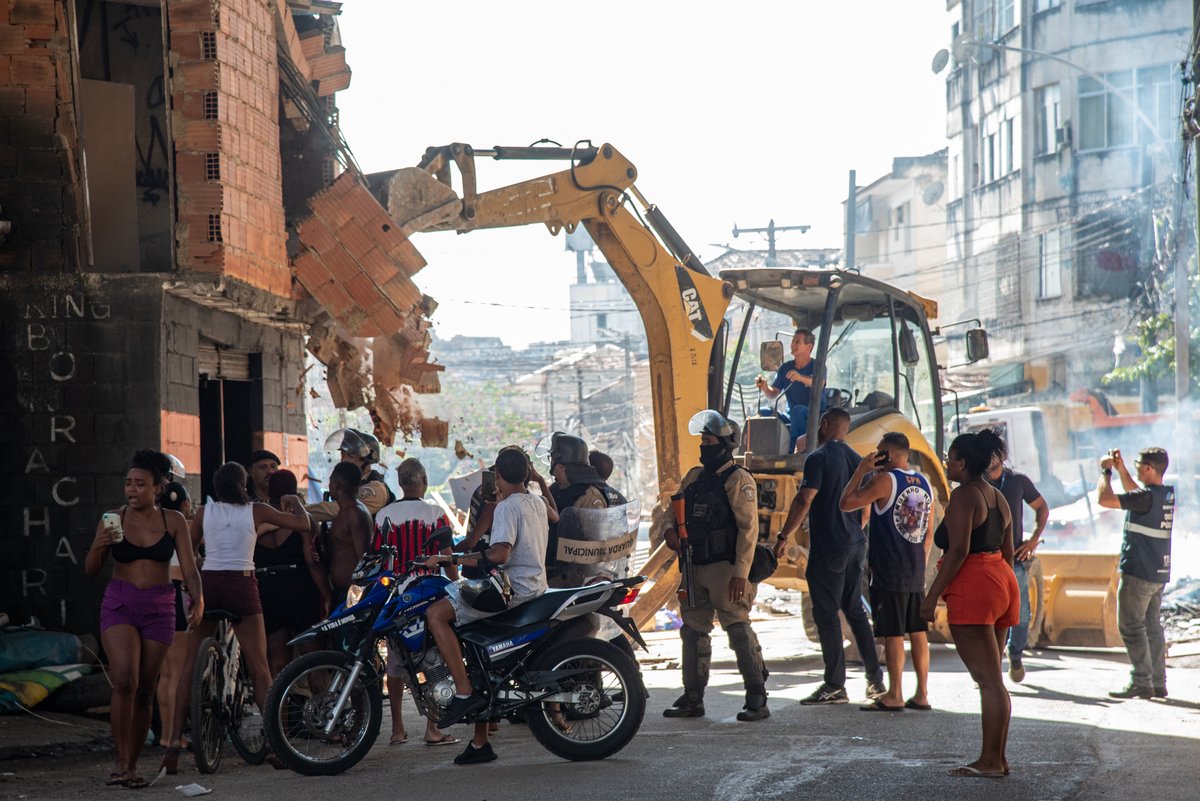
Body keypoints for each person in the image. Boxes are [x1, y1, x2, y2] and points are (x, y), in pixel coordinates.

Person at [161, 461, 311, 774]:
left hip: (211, 583)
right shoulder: (256, 512)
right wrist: (295, 501)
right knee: (259, 667)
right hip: (243, 585)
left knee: (190, 666)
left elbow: (188, 550)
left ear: (217, 486)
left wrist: (200, 573)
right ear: (243, 484)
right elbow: (304, 525)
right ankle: (273, 744)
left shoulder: (204, 512)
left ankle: (173, 741)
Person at [422, 448, 549, 765]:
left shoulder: (506, 507)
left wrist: (449, 558)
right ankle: (480, 743)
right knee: (477, 649)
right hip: (535, 587)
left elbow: (500, 554)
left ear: (500, 476)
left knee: (435, 613)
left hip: (512, 589)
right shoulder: (538, 503)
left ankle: (462, 690)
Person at [85, 450, 202, 789]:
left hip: (160, 606)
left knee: (146, 689)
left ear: (158, 488)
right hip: (119, 603)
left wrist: (199, 597)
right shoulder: (113, 518)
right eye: (128, 483)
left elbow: (190, 569)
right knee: (124, 680)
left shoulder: (173, 521)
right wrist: (97, 545)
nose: (132, 490)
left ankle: (133, 766)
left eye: (140, 484)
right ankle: (119, 763)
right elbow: (91, 570)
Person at [921, 429, 1018, 779]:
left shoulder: (964, 496)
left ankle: (991, 761)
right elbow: (1007, 551)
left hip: (976, 583)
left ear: (963, 462)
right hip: (1000, 579)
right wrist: (1002, 586)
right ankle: (997, 758)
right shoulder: (997, 496)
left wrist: (931, 596)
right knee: (994, 679)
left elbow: (959, 550)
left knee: (989, 681)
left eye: (950, 458)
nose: (947, 463)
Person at [662, 411, 770, 723]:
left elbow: (749, 530)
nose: (703, 446)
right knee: (694, 632)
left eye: (708, 441)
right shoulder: (695, 476)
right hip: (694, 566)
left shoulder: (738, 479)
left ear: (724, 445)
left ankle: (757, 696)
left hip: (726, 569)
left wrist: (741, 573)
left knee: (737, 627)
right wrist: (669, 530)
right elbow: (673, 509)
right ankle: (692, 698)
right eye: (702, 440)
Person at [776, 408, 885, 705]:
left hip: (829, 548)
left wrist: (784, 536)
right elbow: (865, 506)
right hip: (854, 545)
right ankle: (875, 680)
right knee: (855, 611)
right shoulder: (855, 459)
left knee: (826, 614)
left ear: (823, 424)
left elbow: (804, 498)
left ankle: (835, 685)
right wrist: (852, 532)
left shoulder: (817, 458)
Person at [839, 432, 933, 713]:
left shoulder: (884, 480)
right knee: (917, 632)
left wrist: (861, 469)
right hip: (915, 567)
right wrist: (920, 562)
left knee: (893, 633)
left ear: (888, 455)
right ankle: (922, 694)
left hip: (889, 567)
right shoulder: (924, 482)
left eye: (879, 451)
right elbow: (927, 533)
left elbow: (846, 503)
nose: (876, 455)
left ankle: (894, 694)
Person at [373, 457, 459, 747]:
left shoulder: (382, 515)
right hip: (427, 594)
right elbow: (447, 556)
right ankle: (432, 728)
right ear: (422, 480)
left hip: (395, 597)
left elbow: (378, 560)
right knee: (432, 657)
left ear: (400, 483)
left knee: (396, 661)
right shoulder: (434, 513)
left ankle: (397, 729)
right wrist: (456, 585)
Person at [1097, 447, 1174, 700]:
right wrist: (1122, 469)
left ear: (1149, 469)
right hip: (1158, 572)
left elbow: (1104, 499)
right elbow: (1136, 492)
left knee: (1130, 626)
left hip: (1138, 572)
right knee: (1152, 626)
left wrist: (1106, 472)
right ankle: (1157, 682)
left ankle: (1141, 681)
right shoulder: (1163, 494)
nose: (1136, 467)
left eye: (1139, 464)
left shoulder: (1144, 497)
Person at [255, 469, 331, 676]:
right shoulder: (301, 520)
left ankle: (277, 708)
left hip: (266, 589)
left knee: (277, 662)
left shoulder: (256, 518)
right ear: (293, 491)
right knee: (312, 660)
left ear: (269, 492)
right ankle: (323, 707)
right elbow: (312, 561)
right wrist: (326, 595)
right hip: (299, 589)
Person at [984, 455, 1049, 683]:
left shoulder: (1018, 481)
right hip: (984, 562)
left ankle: (1015, 655)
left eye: (993, 454)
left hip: (1014, 562)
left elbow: (1041, 507)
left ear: (1001, 457)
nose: (988, 458)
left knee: (1020, 616)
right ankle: (990, 671)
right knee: (987, 618)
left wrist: (1032, 540)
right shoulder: (976, 482)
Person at [153, 481, 195, 753]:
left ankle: (164, 735)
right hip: (177, 595)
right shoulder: (185, 527)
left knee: (165, 675)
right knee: (177, 674)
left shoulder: (151, 525)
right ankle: (174, 737)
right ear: (184, 505)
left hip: (155, 594)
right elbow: (190, 569)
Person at [547, 433, 620, 586]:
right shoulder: (556, 490)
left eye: (553, 463)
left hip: (577, 579)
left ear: (561, 466)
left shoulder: (589, 496)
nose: (552, 473)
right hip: (552, 572)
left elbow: (596, 550)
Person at [307, 428, 395, 522]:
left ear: (366, 461)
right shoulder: (356, 484)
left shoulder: (375, 489)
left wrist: (300, 511)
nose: (343, 460)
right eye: (342, 455)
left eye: (350, 456)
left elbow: (338, 509)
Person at [755, 329, 822, 452]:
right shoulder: (785, 368)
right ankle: (761, 451)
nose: (792, 345)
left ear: (809, 347)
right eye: (792, 341)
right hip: (790, 414)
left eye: (797, 342)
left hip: (812, 415)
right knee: (763, 412)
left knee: (798, 410)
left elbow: (820, 383)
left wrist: (801, 378)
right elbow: (773, 393)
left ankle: (793, 453)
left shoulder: (817, 366)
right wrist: (764, 386)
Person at [325, 461, 375, 605]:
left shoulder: (355, 513)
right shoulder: (343, 512)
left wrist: (357, 598)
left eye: (330, 481)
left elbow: (364, 558)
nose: (329, 486)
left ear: (337, 484)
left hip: (352, 595)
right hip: (340, 591)